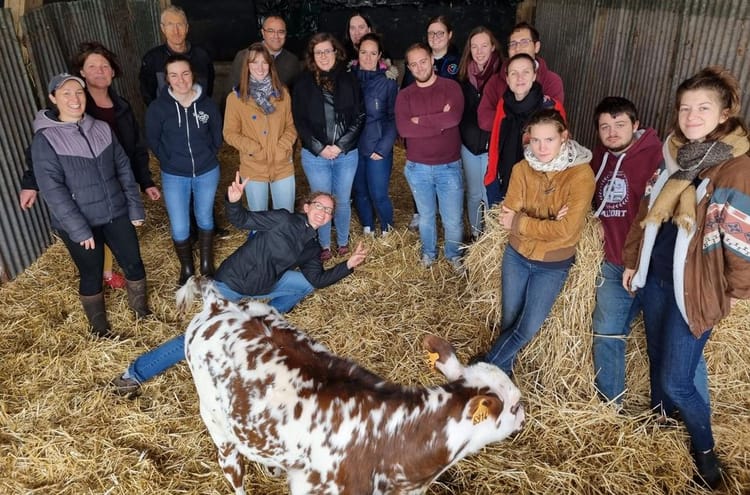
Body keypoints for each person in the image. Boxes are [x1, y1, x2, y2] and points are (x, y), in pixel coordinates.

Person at [111, 176, 368, 397]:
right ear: (306, 206)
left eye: (329, 210)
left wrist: (349, 265)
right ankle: (134, 374)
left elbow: (318, 280)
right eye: (319, 206)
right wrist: (233, 200)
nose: (323, 212)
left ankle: (266, 318)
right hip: (231, 284)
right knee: (196, 337)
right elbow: (241, 219)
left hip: (264, 285)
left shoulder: (312, 246)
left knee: (304, 285)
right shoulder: (282, 219)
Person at [622, 66, 750, 489]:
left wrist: (732, 291)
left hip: (694, 288)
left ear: (725, 112)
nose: (691, 115)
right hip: (658, 278)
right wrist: (632, 262)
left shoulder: (734, 168)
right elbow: (646, 213)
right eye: (685, 107)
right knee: (658, 359)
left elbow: (741, 237)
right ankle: (661, 424)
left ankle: (706, 455)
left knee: (679, 379)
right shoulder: (674, 157)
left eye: (703, 107)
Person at [589, 96, 709, 408]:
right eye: (605, 127)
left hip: (656, 269)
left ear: (636, 125)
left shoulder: (661, 157)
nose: (612, 132)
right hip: (615, 264)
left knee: (679, 343)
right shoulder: (596, 160)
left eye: (619, 125)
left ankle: (691, 414)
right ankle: (611, 406)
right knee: (607, 333)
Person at [19, 41, 161, 290]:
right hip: (84, 184)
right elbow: (41, 156)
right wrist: (31, 183)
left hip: (115, 179)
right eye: (92, 66)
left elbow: (135, 148)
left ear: (113, 71)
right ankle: (105, 273)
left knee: (120, 238)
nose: (100, 71)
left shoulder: (122, 105)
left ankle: (117, 276)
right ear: (81, 73)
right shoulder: (74, 107)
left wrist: (145, 180)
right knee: (94, 239)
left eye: (105, 66)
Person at [30, 73, 151, 337]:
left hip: (115, 211)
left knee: (133, 262)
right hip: (80, 222)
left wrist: (134, 207)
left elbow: (124, 170)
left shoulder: (101, 128)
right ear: (53, 99)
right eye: (66, 94)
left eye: (79, 93)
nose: (75, 99)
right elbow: (53, 189)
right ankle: (100, 330)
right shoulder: (46, 140)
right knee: (92, 272)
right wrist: (78, 229)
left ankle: (142, 314)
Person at [475, 109, 594, 376]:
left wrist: (522, 221)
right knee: (509, 322)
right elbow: (508, 212)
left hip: (552, 263)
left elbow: (566, 231)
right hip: (516, 255)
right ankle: (501, 378)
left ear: (564, 137)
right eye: (536, 140)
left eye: (549, 140)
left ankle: (482, 370)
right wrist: (549, 219)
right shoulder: (521, 168)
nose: (541, 147)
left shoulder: (581, 175)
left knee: (526, 327)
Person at [145, 54, 223, 286]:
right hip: (174, 175)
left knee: (204, 216)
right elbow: (153, 139)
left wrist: (208, 154)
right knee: (179, 224)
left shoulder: (207, 104)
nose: (181, 79)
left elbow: (217, 135)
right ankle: (187, 269)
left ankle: (207, 266)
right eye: (174, 75)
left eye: (185, 73)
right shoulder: (158, 109)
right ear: (168, 79)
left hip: (206, 171)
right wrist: (169, 160)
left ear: (193, 75)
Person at [292, 33, 364, 261]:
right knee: (320, 203)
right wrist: (320, 147)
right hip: (316, 156)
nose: (323, 56)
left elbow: (360, 115)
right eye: (318, 52)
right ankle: (323, 244)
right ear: (313, 56)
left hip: (346, 153)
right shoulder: (303, 83)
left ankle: (342, 241)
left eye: (327, 51)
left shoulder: (350, 79)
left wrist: (341, 145)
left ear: (336, 53)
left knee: (341, 200)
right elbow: (299, 120)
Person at [395, 42, 465, 272]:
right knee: (425, 217)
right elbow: (404, 129)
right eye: (413, 64)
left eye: (423, 61)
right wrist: (438, 121)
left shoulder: (451, 88)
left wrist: (421, 121)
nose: (419, 67)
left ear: (432, 60)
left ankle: (453, 255)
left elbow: (453, 118)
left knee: (452, 219)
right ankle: (429, 253)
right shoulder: (404, 96)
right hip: (417, 167)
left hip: (449, 166)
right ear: (409, 67)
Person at [402, 15, 461, 232]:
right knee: (421, 175)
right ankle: (421, 212)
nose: (435, 37)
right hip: (420, 145)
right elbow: (406, 111)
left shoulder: (457, 61)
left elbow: (454, 110)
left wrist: (421, 120)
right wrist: (437, 117)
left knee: (448, 182)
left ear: (449, 35)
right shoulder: (417, 65)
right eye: (431, 33)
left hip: (448, 141)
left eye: (440, 33)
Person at [483, 53, 565, 205]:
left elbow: (562, 152)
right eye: (514, 73)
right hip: (505, 180)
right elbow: (495, 142)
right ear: (507, 79)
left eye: (525, 72)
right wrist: (490, 178)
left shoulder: (551, 106)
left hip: (540, 189)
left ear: (534, 75)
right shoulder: (504, 104)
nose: (519, 78)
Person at [224, 42, 297, 213]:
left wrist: (281, 147)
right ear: (247, 66)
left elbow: (291, 126)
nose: (260, 67)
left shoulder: (282, 94)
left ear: (270, 66)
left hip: (282, 164)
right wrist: (253, 148)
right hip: (253, 166)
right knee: (258, 217)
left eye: (264, 62)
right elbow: (229, 133)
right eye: (255, 62)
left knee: (285, 217)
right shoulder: (236, 98)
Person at [457, 26, 502, 240]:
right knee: (474, 193)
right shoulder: (463, 76)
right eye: (474, 46)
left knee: (489, 193)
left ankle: (491, 237)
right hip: (469, 145)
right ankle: (476, 234)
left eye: (484, 45)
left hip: (492, 145)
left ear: (493, 47)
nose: (479, 50)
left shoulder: (502, 77)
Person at [478, 21, 564, 133]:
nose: (518, 48)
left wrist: (508, 119)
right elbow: (484, 120)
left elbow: (552, 121)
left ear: (536, 47)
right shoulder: (495, 81)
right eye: (513, 44)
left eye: (524, 42)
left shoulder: (551, 81)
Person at [350, 33, 398, 236]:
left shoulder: (387, 82)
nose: (367, 58)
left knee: (378, 193)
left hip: (376, 146)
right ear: (357, 53)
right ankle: (368, 227)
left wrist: (384, 146)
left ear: (379, 56)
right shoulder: (348, 78)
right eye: (363, 52)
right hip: (352, 147)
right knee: (360, 192)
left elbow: (394, 116)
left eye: (372, 53)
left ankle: (387, 229)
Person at [139, 5, 214, 106]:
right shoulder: (152, 59)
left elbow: (208, 89)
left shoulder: (202, 56)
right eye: (170, 24)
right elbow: (148, 95)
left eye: (180, 24)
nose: (176, 31)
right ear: (163, 28)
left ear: (187, 28)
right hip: (167, 118)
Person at [229, 15, 301, 90]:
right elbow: (230, 92)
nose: (276, 36)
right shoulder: (244, 56)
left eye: (281, 32)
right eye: (270, 31)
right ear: (263, 33)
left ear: (285, 34)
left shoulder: (292, 61)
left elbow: (296, 94)